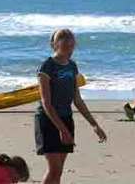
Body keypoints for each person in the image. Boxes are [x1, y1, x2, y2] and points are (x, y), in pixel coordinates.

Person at [35, 29, 107, 184]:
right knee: (54, 169)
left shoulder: (72, 67)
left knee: (59, 170)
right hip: (48, 120)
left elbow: (77, 99)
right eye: (63, 41)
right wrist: (62, 130)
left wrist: (94, 124)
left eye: (71, 42)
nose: (68, 45)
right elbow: (46, 103)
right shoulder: (47, 67)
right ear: (54, 44)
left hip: (66, 117)